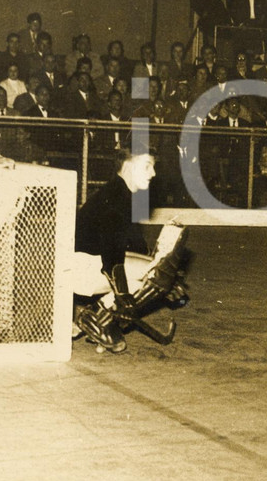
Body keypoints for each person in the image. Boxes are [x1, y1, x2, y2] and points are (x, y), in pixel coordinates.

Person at [72, 149, 188, 353]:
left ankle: (97, 317)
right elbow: (112, 251)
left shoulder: (121, 193)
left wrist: (167, 281)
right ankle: (96, 318)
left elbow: (131, 246)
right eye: (147, 166)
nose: (153, 173)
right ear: (127, 167)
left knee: (157, 271)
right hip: (81, 270)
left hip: (86, 264)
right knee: (157, 273)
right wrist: (122, 292)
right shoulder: (116, 198)